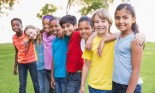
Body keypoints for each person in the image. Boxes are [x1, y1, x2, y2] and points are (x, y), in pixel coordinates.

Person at [80, 9, 115, 93]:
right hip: (93, 86)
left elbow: (126, 34)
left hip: (109, 87)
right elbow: (86, 65)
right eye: (96, 22)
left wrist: (141, 35)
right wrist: (82, 85)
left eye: (103, 21)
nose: (100, 24)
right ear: (93, 24)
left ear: (109, 23)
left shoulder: (115, 40)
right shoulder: (90, 42)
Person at [112, 3, 144, 93]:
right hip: (116, 84)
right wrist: (102, 41)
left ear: (133, 19)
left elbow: (136, 71)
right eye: (117, 18)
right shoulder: (119, 35)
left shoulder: (135, 40)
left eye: (125, 17)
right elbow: (110, 35)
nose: (120, 21)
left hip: (129, 87)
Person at [11, 18, 39, 93]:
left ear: (22, 26)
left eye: (17, 25)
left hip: (32, 62)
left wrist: (30, 38)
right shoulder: (14, 38)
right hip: (21, 64)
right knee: (22, 85)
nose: (15, 27)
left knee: (36, 83)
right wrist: (15, 67)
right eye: (13, 25)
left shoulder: (27, 33)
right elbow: (16, 52)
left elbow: (36, 31)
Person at [49, 16, 69, 93]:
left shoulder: (66, 37)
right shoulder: (54, 41)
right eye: (51, 27)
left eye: (56, 26)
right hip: (56, 76)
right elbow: (53, 59)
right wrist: (52, 76)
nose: (53, 28)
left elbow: (75, 30)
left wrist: (63, 32)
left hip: (65, 75)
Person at [24, 25, 46, 93]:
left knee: (49, 88)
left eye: (31, 32)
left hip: (48, 66)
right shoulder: (33, 40)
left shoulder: (43, 35)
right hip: (39, 67)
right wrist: (27, 39)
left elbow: (45, 29)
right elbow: (26, 49)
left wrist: (39, 30)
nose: (30, 35)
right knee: (41, 88)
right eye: (28, 34)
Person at [42, 15, 55, 93]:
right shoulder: (43, 34)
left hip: (54, 69)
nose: (45, 26)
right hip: (46, 68)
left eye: (48, 24)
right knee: (47, 90)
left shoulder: (56, 35)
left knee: (54, 89)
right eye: (44, 24)